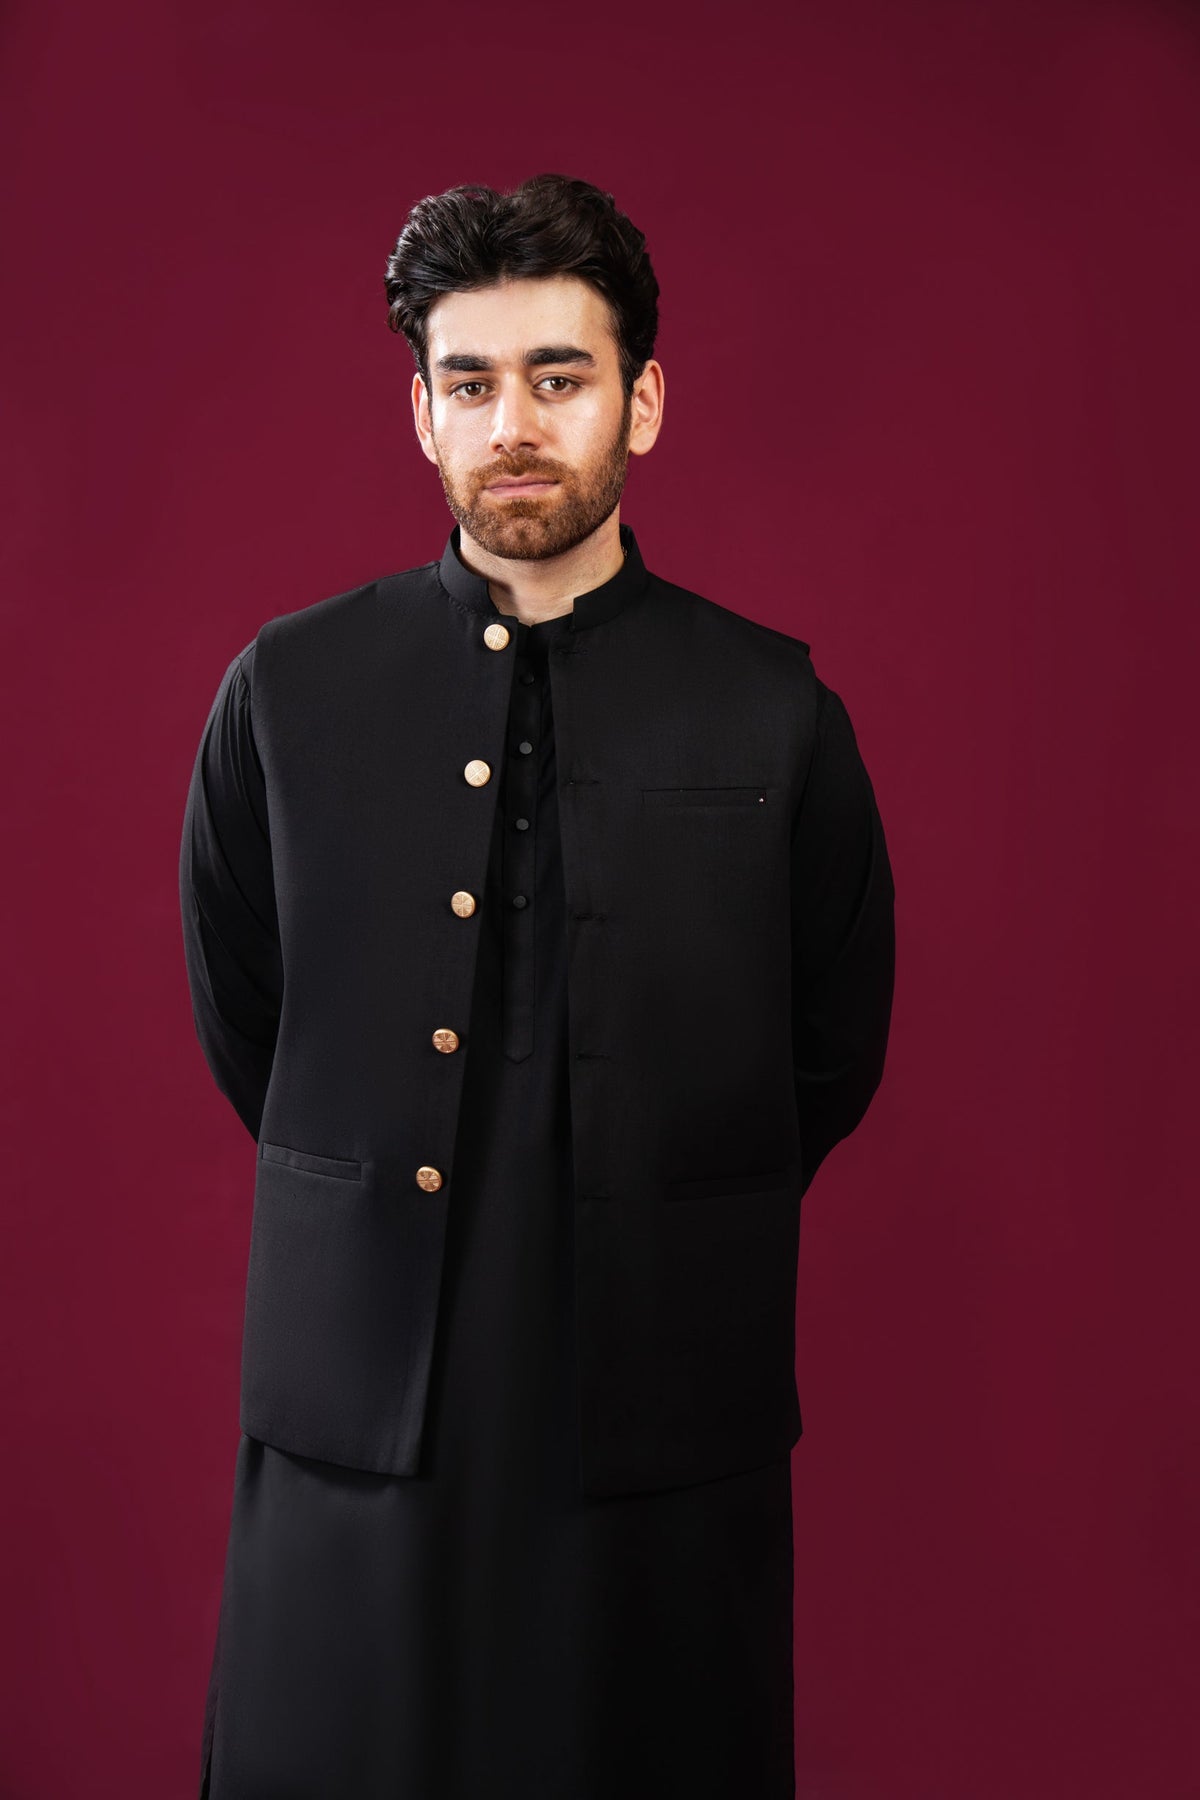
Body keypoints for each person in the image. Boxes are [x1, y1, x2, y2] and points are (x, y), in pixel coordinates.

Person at [180, 171, 896, 1800]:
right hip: (357, 1404)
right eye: (471, 382)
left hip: (664, 1417)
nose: (512, 425)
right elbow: (248, 1016)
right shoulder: (286, 694)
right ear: (421, 413)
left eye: (558, 378)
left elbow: (830, 1046)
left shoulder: (773, 710)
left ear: (643, 402)